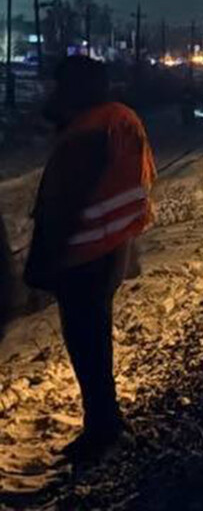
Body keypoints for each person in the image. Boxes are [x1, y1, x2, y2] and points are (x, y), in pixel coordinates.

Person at [23, 56, 155, 463]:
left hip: (84, 254)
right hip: (111, 247)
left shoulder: (88, 131)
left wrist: (41, 266)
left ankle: (103, 430)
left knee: (87, 345)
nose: (52, 93)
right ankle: (105, 423)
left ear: (73, 89)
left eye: (58, 86)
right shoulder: (119, 118)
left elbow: (64, 206)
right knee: (95, 340)